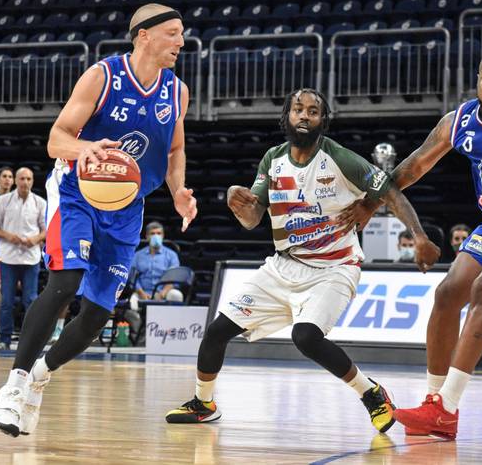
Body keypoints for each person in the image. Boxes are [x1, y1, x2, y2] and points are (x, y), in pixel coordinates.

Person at [165, 88, 440, 432]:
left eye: (313, 111)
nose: (305, 116)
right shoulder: (272, 160)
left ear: (323, 120)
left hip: (334, 266)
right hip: (283, 265)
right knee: (217, 332)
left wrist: (419, 236)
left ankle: (372, 395)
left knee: (306, 337)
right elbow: (252, 219)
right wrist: (237, 201)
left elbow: (390, 192)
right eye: (298, 110)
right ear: (286, 117)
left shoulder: (339, 158)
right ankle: (204, 404)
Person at [0, 3, 196, 437]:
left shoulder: (177, 91)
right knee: (65, 280)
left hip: (127, 206)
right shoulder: (103, 76)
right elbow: (55, 139)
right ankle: (11, 389)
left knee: (98, 314)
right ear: (144, 35)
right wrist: (85, 149)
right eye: (173, 33)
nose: (180, 41)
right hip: (76, 191)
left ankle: (41, 376)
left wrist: (178, 193)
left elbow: (175, 151)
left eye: (181, 34)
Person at [338, 52, 482, 439]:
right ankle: (434, 405)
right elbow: (414, 165)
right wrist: (370, 203)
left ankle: (448, 406)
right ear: (477, 81)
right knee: (447, 293)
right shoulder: (459, 120)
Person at [0, 167, 47, 349]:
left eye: (28, 179)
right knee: (6, 301)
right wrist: (9, 236)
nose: (25, 182)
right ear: (16, 181)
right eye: (22, 179)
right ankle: (4, 339)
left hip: (31, 258)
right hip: (9, 258)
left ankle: (29, 340)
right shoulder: (3, 202)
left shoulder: (40, 202)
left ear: (32, 181)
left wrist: (35, 239)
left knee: (30, 300)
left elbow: (47, 229)